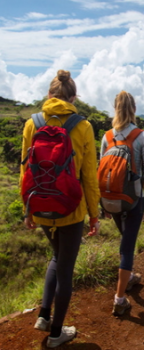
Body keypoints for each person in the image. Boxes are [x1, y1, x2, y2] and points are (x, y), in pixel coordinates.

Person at [20, 70, 100, 348]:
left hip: (40, 205)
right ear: (73, 97)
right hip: (71, 209)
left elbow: (24, 172)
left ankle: (43, 316)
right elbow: (90, 175)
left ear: (49, 95)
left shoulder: (32, 123)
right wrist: (94, 214)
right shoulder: (83, 126)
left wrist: (27, 210)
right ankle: (56, 334)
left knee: (56, 256)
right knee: (65, 267)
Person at [100, 91, 144, 316]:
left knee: (125, 240)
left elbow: (100, 169)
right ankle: (119, 298)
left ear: (115, 108)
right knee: (128, 247)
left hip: (110, 200)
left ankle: (129, 276)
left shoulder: (106, 137)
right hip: (133, 199)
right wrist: (139, 189)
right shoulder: (143, 136)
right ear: (134, 108)